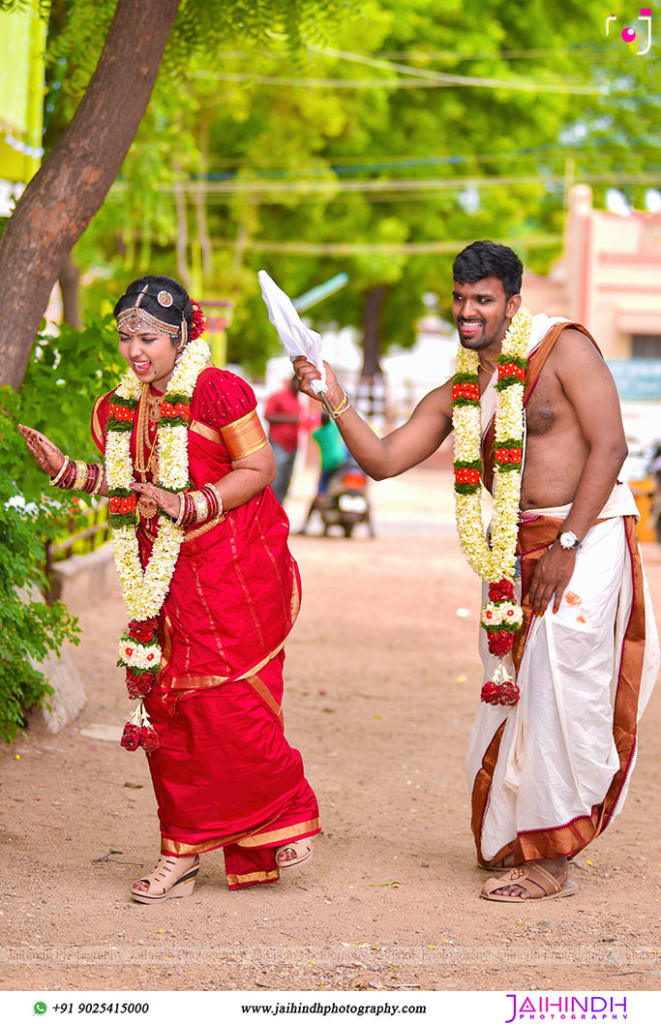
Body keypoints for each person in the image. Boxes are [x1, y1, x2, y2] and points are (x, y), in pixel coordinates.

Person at [295, 241, 658, 903]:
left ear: (512, 303)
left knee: (561, 676)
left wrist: (568, 543)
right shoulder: (463, 390)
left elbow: (611, 445)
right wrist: (332, 394)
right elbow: (381, 458)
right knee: (514, 688)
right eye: (460, 298)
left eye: (482, 299)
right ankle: (520, 835)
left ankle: (553, 858)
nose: (467, 311)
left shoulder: (563, 349)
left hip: (587, 534)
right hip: (511, 550)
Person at [20, 275, 320, 904]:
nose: (136, 349)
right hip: (161, 584)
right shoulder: (115, 407)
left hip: (228, 573)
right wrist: (71, 473)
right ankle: (178, 851)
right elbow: (131, 483)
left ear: (183, 333)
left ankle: (280, 811)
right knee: (167, 714)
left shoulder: (217, 392)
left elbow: (259, 469)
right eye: (126, 335)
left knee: (232, 706)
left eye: (149, 336)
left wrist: (189, 503)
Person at [299, 411, 349, 534]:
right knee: (333, 488)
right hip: (340, 460)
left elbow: (310, 432)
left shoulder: (318, 434)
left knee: (320, 493)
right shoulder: (333, 428)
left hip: (327, 464)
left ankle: (307, 525)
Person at [264, 374, 302, 504]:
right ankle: (269, 509)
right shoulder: (279, 396)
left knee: (286, 481)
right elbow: (268, 415)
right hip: (279, 443)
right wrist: (292, 419)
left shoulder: (297, 400)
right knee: (276, 480)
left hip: (292, 445)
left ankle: (278, 510)